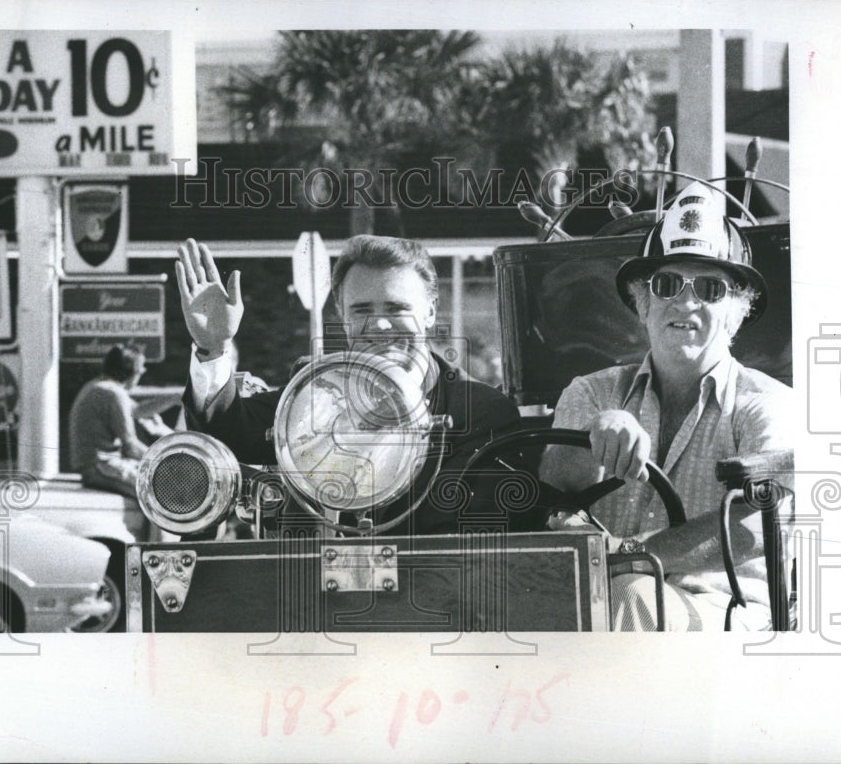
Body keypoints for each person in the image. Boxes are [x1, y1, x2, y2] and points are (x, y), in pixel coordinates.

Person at [539, 182, 793, 631]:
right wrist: (598, 433)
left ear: (737, 311)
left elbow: (761, 525)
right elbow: (554, 485)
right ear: (642, 303)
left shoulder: (767, 404)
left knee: (625, 596)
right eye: (667, 284)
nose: (687, 301)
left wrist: (631, 555)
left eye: (711, 288)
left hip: (725, 618)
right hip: (603, 607)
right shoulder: (592, 393)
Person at [176, 235, 544, 534]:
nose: (380, 326)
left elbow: (481, 525)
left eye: (397, 309)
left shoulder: (480, 410)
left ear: (430, 312)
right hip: (310, 601)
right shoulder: (314, 388)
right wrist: (213, 346)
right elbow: (227, 434)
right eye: (363, 310)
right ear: (341, 314)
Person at [69, 344, 172, 499]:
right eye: (141, 368)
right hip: (102, 465)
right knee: (162, 494)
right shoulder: (113, 393)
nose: (143, 372)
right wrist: (167, 461)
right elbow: (130, 446)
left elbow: (137, 411)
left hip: (92, 465)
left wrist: (174, 399)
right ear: (131, 372)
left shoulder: (98, 386)